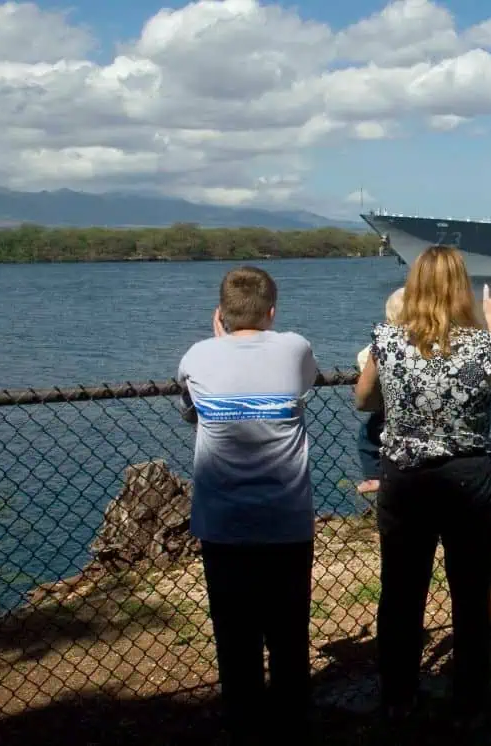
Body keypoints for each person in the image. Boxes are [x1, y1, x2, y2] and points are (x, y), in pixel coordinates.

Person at [353, 246, 491, 723]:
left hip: (405, 479)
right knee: (471, 594)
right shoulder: (481, 344)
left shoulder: (386, 340)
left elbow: (363, 400)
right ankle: (468, 698)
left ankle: (398, 697)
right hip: (470, 478)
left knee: (402, 591)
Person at [176, 266, 319, 743]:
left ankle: (242, 722)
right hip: (287, 520)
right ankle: (292, 721)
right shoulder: (295, 347)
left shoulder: (198, 354)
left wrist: (218, 343)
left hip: (223, 524)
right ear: (272, 312)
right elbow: (305, 383)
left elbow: (190, 404)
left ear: (219, 314)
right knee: (288, 634)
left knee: (234, 636)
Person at [354, 288, 404, 495]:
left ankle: (374, 476)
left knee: (367, 436)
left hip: (387, 408)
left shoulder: (380, 346)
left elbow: (363, 359)